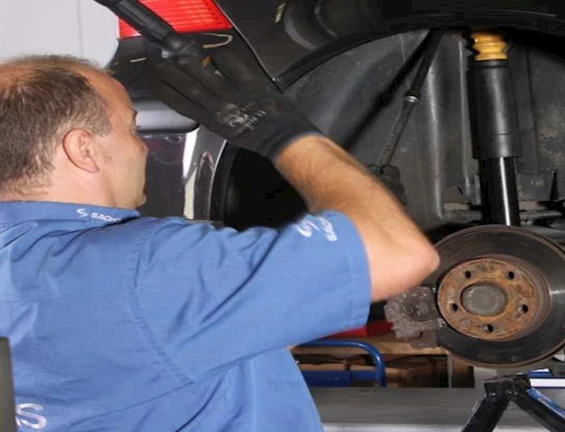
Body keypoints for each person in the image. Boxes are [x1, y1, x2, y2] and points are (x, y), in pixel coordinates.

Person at [0, 50, 439, 431]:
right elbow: (398, 255)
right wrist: (284, 134)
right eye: (131, 129)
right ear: (84, 149)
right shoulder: (147, 271)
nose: (143, 148)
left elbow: (171, 345)